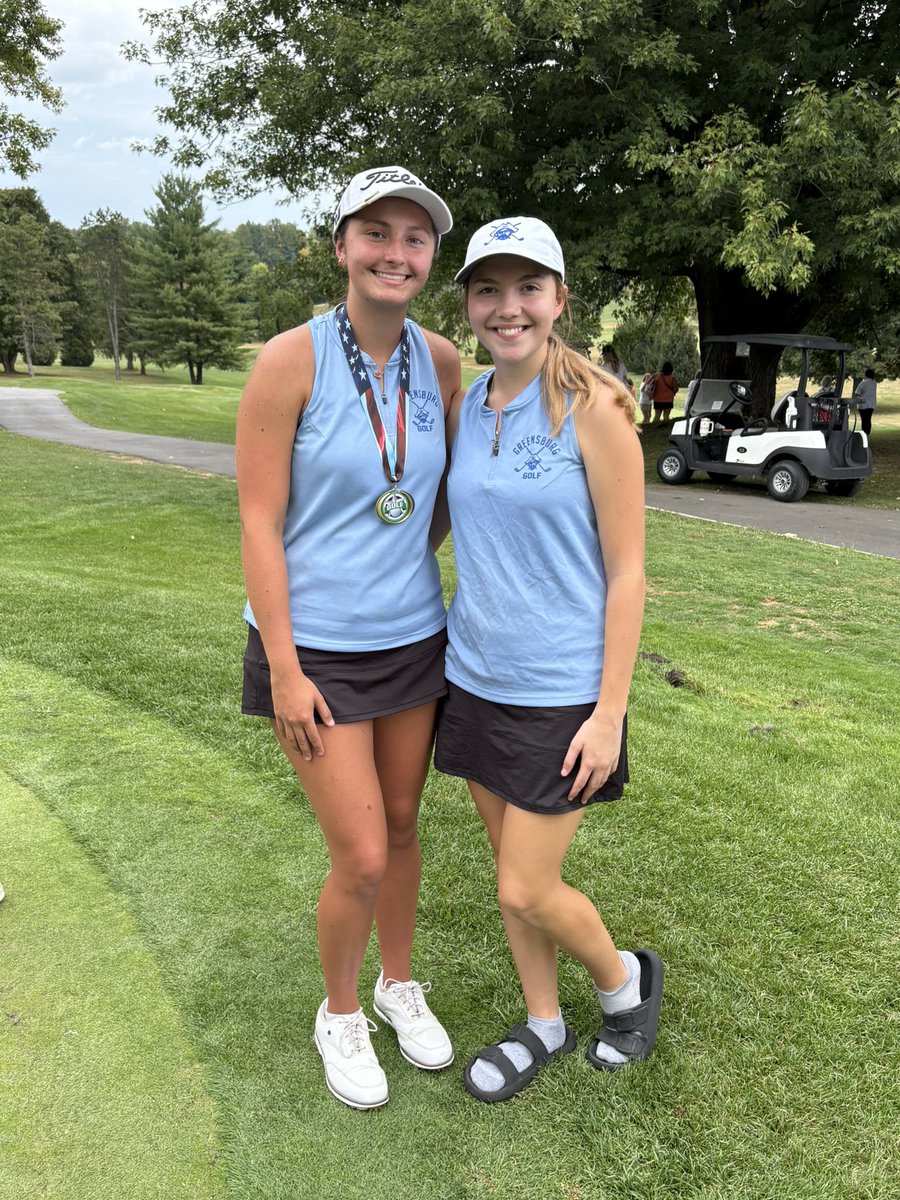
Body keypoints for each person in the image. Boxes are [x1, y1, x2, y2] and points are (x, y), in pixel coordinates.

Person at [236, 166, 460, 1111]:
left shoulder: (444, 362)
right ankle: (338, 1013)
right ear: (341, 246)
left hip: (412, 637)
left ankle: (396, 983)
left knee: (405, 826)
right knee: (361, 854)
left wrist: (399, 549)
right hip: (313, 652)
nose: (394, 252)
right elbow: (257, 522)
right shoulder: (291, 360)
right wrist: (283, 668)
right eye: (376, 232)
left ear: (431, 259)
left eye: (414, 238)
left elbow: (437, 501)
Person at [434, 217, 663, 1103]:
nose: (508, 307)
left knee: (529, 884)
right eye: (489, 289)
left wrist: (608, 713)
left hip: (562, 691)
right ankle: (544, 1023)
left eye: (528, 287)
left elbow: (628, 571)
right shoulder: (467, 404)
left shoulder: (596, 409)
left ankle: (625, 986)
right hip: (473, 678)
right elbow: (445, 520)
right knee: (509, 880)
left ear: (560, 300)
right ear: (469, 305)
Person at [853, 368, 877, 436]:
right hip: (871, 404)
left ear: (866, 375)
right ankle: (867, 433)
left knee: (864, 420)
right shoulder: (874, 382)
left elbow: (857, 392)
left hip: (863, 404)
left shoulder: (863, 382)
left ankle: (864, 433)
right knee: (868, 419)